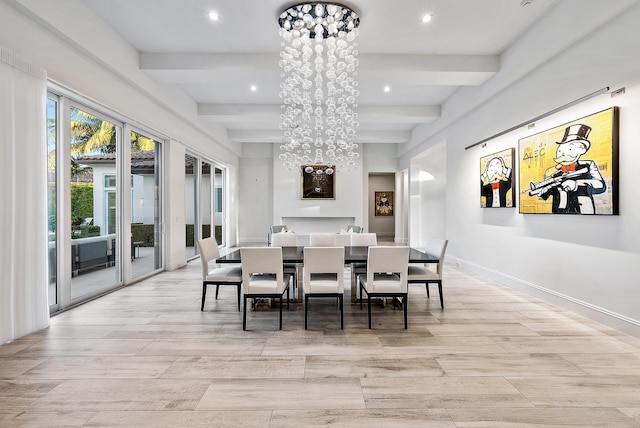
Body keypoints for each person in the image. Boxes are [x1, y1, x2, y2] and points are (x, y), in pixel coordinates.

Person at [530, 124, 605, 214]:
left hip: (583, 211)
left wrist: (576, 184)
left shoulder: (587, 165)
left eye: (569, 148)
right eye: (560, 150)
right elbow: (548, 193)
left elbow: (600, 185)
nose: (562, 154)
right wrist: (542, 191)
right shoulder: (553, 172)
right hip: (559, 213)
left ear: (582, 149)